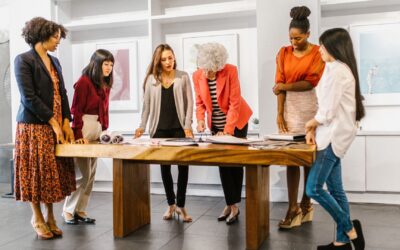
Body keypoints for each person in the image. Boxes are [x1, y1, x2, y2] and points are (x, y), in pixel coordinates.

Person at [14, 17, 76, 239]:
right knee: (36, 174)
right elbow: (28, 97)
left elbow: (63, 92)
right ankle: (37, 216)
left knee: (52, 173)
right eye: (55, 37)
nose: (58, 41)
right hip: (34, 126)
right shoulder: (23, 60)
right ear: (41, 35)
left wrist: (67, 121)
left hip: (57, 125)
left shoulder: (55, 61)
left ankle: (50, 215)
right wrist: (52, 121)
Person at [305, 28, 366, 250]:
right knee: (336, 189)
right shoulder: (338, 69)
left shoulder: (337, 71)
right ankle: (341, 242)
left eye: (322, 45)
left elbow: (327, 111)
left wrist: (310, 124)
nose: (319, 49)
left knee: (313, 189)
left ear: (333, 47)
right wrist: (314, 128)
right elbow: (328, 107)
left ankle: (349, 227)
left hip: (332, 137)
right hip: (333, 136)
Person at [273, 6, 325, 229]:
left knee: (307, 159)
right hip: (290, 110)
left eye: (298, 38)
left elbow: (310, 83)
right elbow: (279, 86)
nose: (294, 42)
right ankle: (292, 207)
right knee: (290, 159)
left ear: (308, 34)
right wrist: (279, 113)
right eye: (291, 38)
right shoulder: (283, 53)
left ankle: (306, 204)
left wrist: (283, 85)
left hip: (309, 108)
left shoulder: (316, 53)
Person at [193, 42, 253, 225]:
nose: (206, 73)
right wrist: (201, 120)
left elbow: (235, 103)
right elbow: (200, 103)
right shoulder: (197, 75)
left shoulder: (230, 71)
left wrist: (227, 132)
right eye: (203, 69)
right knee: (222, 163)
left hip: (237, 123)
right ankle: (230, 204)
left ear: (218, 66)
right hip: (216, 125)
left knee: (235, 162)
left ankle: (234, 205)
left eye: (210, 70)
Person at [135, 44, 194, 222]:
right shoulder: (151, 79)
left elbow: (190, 103)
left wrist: (187, 125)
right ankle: (171, 205)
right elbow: (146, 106)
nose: (168, 62)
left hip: (179, 129)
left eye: (171, 57)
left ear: (174, 57)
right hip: (159, 130)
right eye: (164, 59)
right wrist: (142, 127)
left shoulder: (183, 76)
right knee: (165, 168)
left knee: (183, 167)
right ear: (158, 61)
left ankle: (182, 206)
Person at [63, 49, 114, 224]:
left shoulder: (104, 85)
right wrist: (77, 134)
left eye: (111, 65)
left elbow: (104, 111)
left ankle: (81, 210)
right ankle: (68, 211)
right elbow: (76, 110)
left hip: (97, 130)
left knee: (91, 174)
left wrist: (104, 131)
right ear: (97, 63)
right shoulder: (84, 82)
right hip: (83, 128)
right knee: (82, 174)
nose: (109, 68)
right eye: (106, 64)